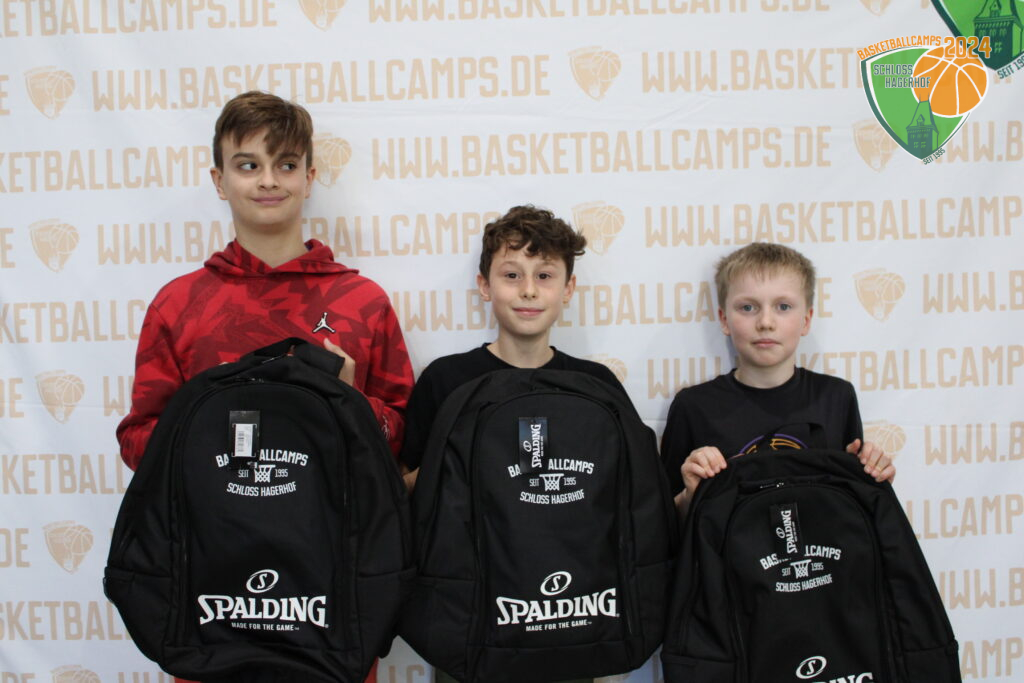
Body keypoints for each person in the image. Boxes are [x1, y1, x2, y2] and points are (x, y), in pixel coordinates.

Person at [115, 91, 414, 683]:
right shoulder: (179, 305)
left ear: (310, 177)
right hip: (211, 585)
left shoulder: (362, 302)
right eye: (248, 164)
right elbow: (138, 440)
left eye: (285, 164)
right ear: (219, 180)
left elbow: (399, 438)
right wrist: (209, 424)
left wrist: (353, 404)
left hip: (333, 584)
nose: (268, 180)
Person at [399, 205, 623, 683]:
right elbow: (407, 491)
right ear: (485, 286)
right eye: (511, 274)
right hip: (471, 619)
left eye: (544, 275)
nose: (528, 290)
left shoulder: (596, 385)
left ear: (568, 289)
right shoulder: (446, 380)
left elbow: (623, 499)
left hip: (576, 614)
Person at [660, 242, 894, 513]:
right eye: (748, 307)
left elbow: (853, 507)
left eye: (783, 306)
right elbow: (664, 521)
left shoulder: (836, 397)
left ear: (806, 320)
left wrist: (873, 479)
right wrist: (691, 495)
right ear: (724, 319)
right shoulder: (694, 407)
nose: (766, 322)